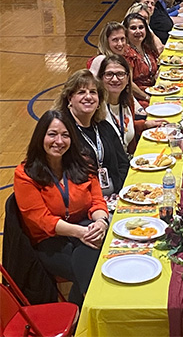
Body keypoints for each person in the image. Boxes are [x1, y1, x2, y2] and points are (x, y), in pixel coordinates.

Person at [14, 110, 109, 307]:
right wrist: (81, 232)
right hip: (49, 240)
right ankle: (88, 311)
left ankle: (79, 314)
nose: (59, 141)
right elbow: (42, 219)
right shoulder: (25, 174)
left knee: (97, 256)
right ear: (41, 136)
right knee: (99, 267)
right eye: (52, 134)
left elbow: (97, 201)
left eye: (65, 135)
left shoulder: (82, 163)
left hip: (85, 229)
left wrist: (101, 221)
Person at [54, 69, 130, 196]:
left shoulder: (104, 127)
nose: (88, 96)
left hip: (114, 197)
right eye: (81, 92)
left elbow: (123, 163)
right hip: (83, 202)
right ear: (69, 99)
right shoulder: (62, 133)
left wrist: (118, 192)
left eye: (93, 92)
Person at [97, 55, 166, 154]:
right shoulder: (97, 107)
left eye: (120, 74)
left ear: (128, 77)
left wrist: (144, 125)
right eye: (109, 74)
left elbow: (123, 129)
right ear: (101, 78)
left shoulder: (127, 100)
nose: (115, 79)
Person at [86, 21, 151, 105]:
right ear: (106, 41)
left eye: (122, 39)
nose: (120, 44)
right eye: (115, 40)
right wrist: (146, 98)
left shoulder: (120, 59)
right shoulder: (101, 60)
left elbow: (127, 91)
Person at [123, 12, 159, 94]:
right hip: (139, 96)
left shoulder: (147, 47)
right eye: (133, 28)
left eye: (141, 27)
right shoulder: (127, 53)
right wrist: (146, 98)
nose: (138, 31)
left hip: (154, 90)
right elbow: (129, 84)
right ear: (126, 31)